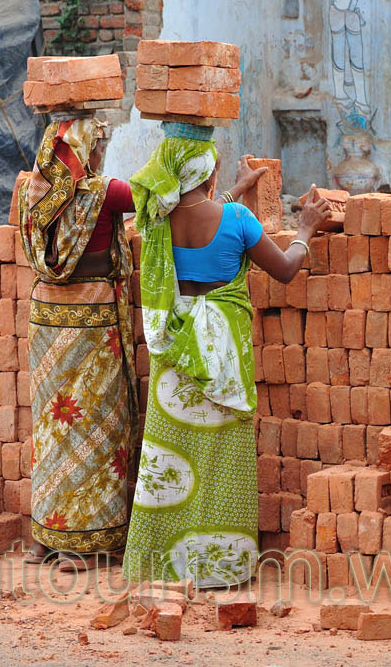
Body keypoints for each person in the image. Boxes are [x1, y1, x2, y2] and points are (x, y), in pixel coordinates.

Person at [122, 122, 331, 588]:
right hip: (221, 364)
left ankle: (159, 565)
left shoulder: (155, 223)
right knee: (220, 463)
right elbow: (285, 270)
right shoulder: (238, 223)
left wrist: (234, 187)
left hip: (174, 360)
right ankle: (221, 570)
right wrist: (305, 228)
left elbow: (197, 213)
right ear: (208, 169)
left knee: (170, 463)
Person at [17, 114, 137, 570]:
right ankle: (84, 545)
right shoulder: (104, 192)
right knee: (94, 432)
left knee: (51, 433)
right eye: (98, 143)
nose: (102, 151)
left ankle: (43, 540)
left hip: (46, 325)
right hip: (90, 328)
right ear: (85, 149)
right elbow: (160, 200)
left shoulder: (35, 192)